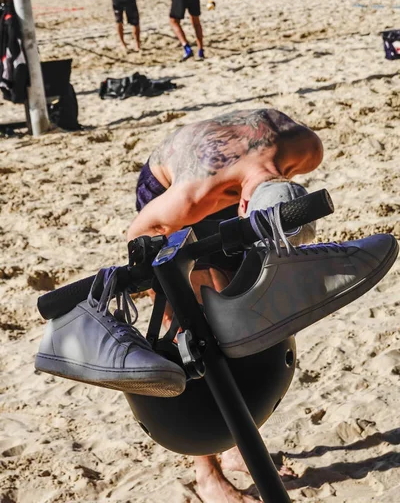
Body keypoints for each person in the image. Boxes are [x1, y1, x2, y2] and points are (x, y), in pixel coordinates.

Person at [36, 108, 397, 503]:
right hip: (166, 197)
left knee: (239, 317)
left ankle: (238, 445)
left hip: (237, 191)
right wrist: (168, 293)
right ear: (243, 204)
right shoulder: (188, 197)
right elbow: (141, 237)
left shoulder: (307, 149)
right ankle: (205, 470)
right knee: (190, 335)